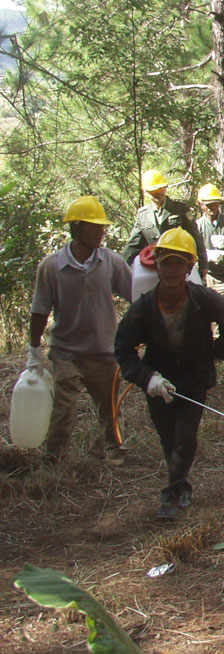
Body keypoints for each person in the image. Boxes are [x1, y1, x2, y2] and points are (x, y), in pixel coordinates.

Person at [114, 228, 224, 519]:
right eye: (165, 263)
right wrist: (149, 379)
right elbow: (123, 350)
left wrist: (220, 352)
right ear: (156, 265)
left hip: (194, 379)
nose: (171, 270)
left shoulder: (201, 298)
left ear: (189, 267)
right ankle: (182, 486)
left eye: (177, 263)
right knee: (168, 439)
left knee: (185, 437)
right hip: (159, 382)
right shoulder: (143, 308)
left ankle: (169, 497)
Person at [28, 196, 133, 465]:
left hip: (104, 350)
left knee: (110, 408)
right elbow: (40, 310)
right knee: (63, 410)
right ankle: (55, 457)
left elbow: (137, 297)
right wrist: (33, 350)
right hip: (66, 353)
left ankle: (112, 448)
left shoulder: (110, 261)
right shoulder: (51, 267)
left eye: (102, 227)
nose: (101, 232)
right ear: (76, 229)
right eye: (93, 227)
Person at [123, 169, 208, 279]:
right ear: (146, 192)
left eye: (160, 189)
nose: (157, 193)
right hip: (153, 268)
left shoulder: (180, 210)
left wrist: (203, 265)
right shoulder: (143, 215)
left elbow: (196, 238)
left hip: (179, 266)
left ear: (165, 188)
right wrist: (121, 267)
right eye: (153, 191)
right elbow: (133, 245)